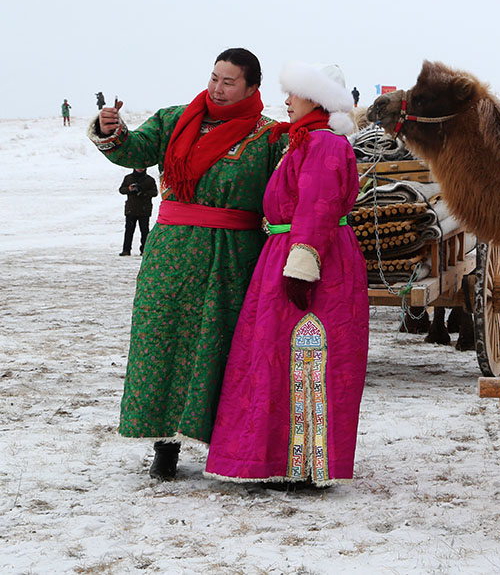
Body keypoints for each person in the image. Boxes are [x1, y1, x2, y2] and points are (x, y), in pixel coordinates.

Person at [87, 48, 285, 480]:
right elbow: (131, 149)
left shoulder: (271, 137)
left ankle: (227, 447)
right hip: (171, 255)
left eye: (228, 81)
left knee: (224, 347)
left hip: (233, 260)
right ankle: (165, 445)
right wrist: (113, 131)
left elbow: (292, 188)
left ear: (252, 87)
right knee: (162, 343)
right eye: (214, 77)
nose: (217, 87)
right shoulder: (175, 119)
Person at [206, 61, 368, 486]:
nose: (287, 101)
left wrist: (303, 262)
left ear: (316, 99)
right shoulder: (306, 141)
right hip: (289, 252)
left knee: (304, 355)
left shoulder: (325, 145)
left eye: (294, 93)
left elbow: (318, 203)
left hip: (314, 261)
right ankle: (277, 460)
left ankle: (302, 465)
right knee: (273, 356)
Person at [118, 167, 158, 256]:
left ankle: (144, 250)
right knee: (129, 230)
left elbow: (154, 193)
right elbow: (121, 190)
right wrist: (129, 189)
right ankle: (126, 250)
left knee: (144, 231)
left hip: (144, 209)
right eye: (138, 167)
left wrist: (143, 192)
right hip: (131, 209)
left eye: (142, 167)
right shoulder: (128, 178)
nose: (140, 169)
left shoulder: (149, 180)